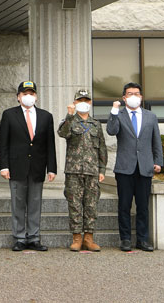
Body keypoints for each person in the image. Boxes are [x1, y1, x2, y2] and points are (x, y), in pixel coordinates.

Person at [0, 81, 57, 252]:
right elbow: (4, 143)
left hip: (37, 166)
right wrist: (4, 166)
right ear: (18, 97)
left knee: (35, 203)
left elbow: (50, 144)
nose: (28, 96)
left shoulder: (46, 116)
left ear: (36, 96)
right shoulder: (9, 115)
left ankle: (34, 237)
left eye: (31, 93)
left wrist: (51, 168)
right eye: (24, 94)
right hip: (16, 166)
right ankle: (19, 238)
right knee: (18, 204)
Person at [107, 82, 163, 252]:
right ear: (124, 97)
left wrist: (158, 161)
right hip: (125, 167)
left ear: (141, 97)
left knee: (143, 206)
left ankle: (142, 239)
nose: (133, 96)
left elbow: (156, 140)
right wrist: (114, 112)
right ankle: (124, 239)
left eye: (136, 93)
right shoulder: (119, 114)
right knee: (124, 205)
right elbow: (111, 130)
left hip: (145, 166)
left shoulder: (150, 116)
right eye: (129, 94)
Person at [57, 89, 107, 252]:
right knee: (75, 205)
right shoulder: (70, 121)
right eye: (80, 100)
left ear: (90, 103)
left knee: (91, 205)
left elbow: (102, 148)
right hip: (73, 171)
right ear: (75, 103)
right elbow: (62, 133)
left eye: (86, 100)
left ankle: (89, 237)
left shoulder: (96, 124)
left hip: (92, 171)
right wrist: (69, 115)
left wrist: (102, 169)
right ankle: (76, 237)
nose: (83, 103)